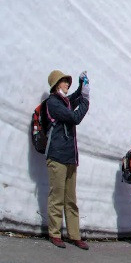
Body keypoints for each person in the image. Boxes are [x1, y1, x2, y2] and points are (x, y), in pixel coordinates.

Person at [44, 69, 90, 249]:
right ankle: (54, 233)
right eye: (64, 82)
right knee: (57, 197)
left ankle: (74, 235)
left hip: (70, 157)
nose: (67, 84)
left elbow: (75, 98)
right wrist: (85, 102)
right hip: (57, 156)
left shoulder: (63, 101)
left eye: (68, 82)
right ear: (56, 84)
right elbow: (74, 117)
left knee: (70, 199)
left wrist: (82, 86)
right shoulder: (53, 103)